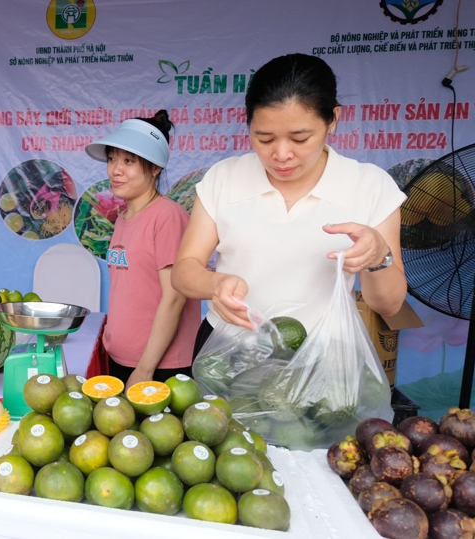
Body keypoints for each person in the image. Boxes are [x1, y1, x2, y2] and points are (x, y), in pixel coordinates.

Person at [172, 53, 407, 357]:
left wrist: (378, 256)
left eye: (300, 138)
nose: (281, 154)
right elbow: (184, 272)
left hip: (322, 360)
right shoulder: (224, 177)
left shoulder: (371, 186)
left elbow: (388, 305)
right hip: (228, 351)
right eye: (265, 138)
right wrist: (215, 283)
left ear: (333, 119)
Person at [85, 112, 202, 386]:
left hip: (159, 368)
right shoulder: (124, 218)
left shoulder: (167, 217)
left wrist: (146, 370)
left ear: (155, 168)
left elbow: (175, 298)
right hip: (124, 362)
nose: (115, 169)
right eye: (112, 158)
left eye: (129, 161)